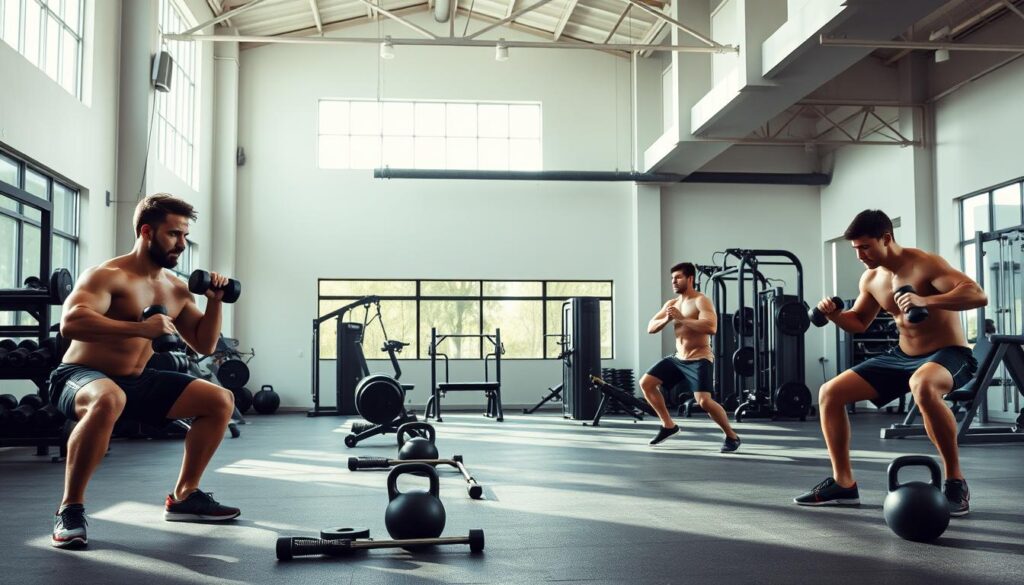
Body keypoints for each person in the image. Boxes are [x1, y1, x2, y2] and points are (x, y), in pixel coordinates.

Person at [49, 194, 240, 549]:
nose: (181, 244)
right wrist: (141, 329)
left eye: (185, 236)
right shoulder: (108, 276)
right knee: (109, 398)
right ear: (147, 231)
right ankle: (69, 510)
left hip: (136, 382)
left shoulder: (176, 288)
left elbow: (205, 344)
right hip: (79, 376)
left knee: (219, 400)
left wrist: (215, 301)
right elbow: (71, 323)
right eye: (173, 235)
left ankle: (185, 496)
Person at [795, 209, 986, 515]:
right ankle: (844, 484)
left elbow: (977, 295)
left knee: (922, 385)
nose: (860, 255)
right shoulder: (872, 278)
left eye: (865, 247)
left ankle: (955, 481)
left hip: (949, 354)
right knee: (830, 393)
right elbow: (858, 321)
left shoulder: (925, 264)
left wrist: (927, 300)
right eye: (855, 249)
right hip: (902, 356)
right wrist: (833, 316)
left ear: (886, 238)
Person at [639, 262, 741, 452]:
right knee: (646, 383)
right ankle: (668, 426)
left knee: (704, 402)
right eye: (672, 278)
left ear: (690, 279)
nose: (674, 281)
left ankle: (731, 436)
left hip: (699, 358)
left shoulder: (701, 300)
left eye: (678, 277)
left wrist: (682, 319)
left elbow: (711, 327)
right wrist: (667, 319)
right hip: (679, 358)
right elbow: (650, 328)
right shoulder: (672, 304)